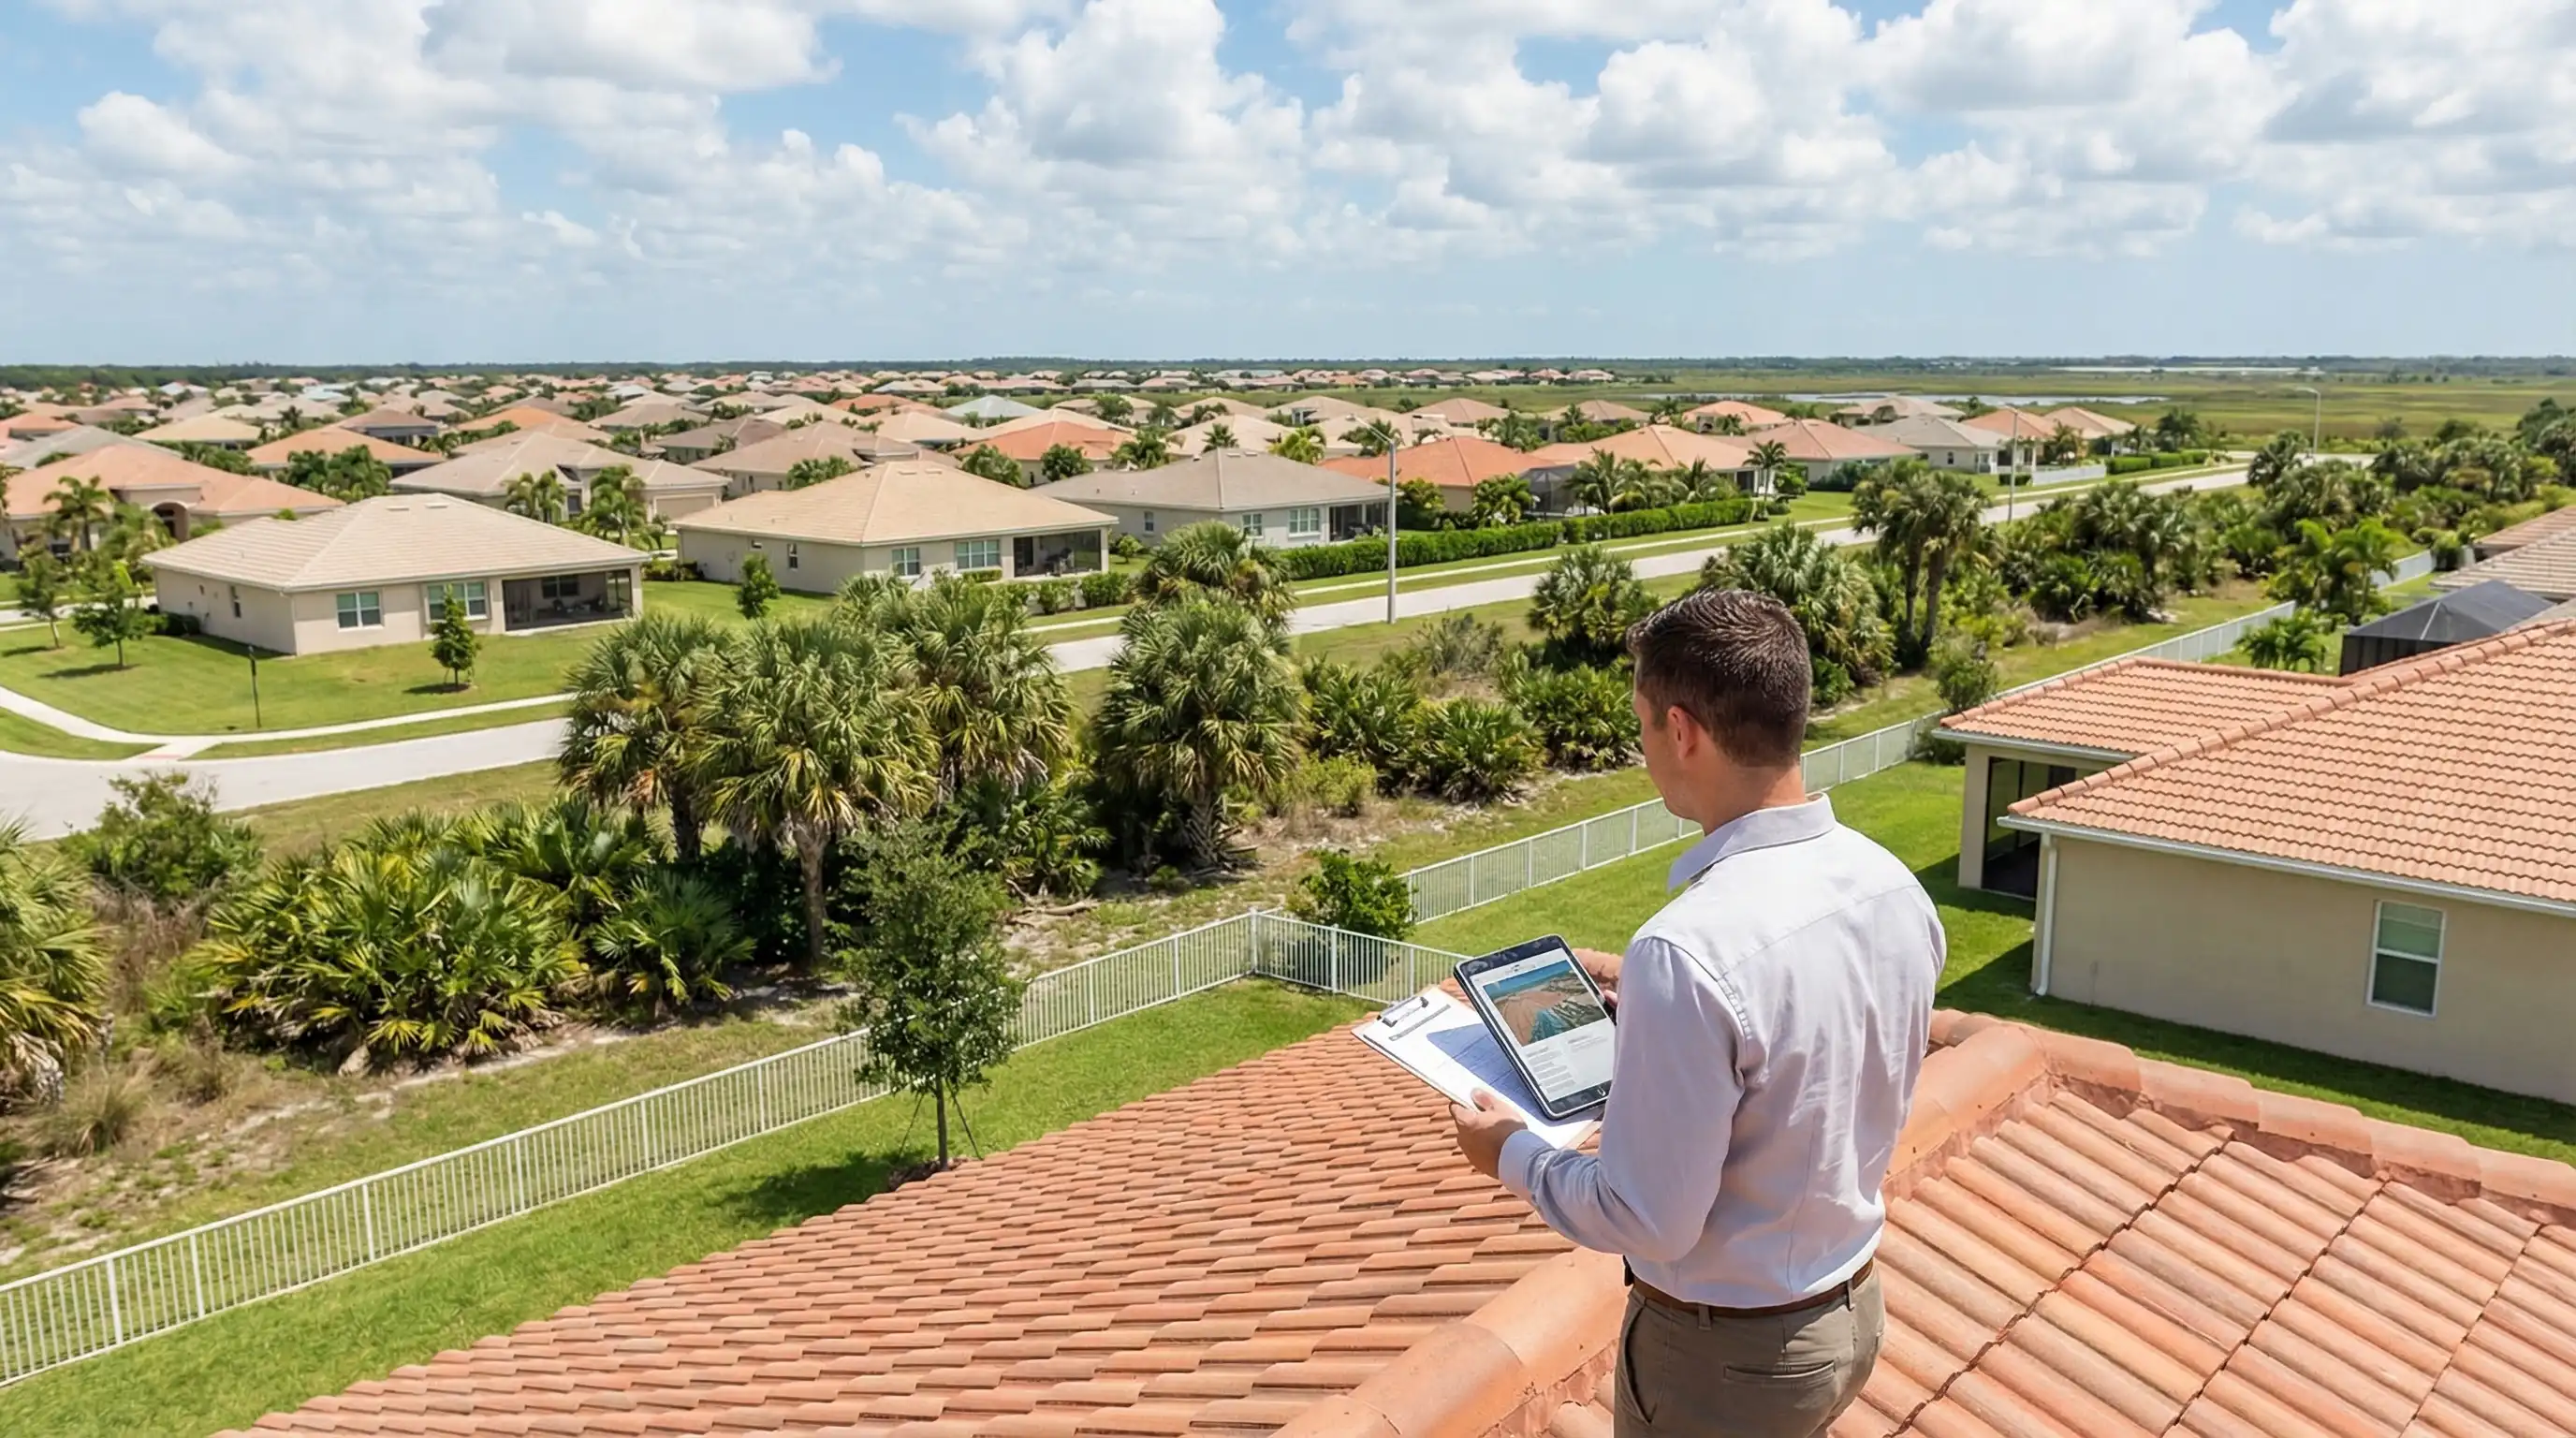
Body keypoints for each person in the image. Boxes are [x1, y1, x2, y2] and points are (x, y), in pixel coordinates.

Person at [1448, 588, 1944, 1438]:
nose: (1645, 749)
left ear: (1681, 731)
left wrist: (1510, 1154)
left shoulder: (1686, 951)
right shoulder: (1892, 885)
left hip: (1728, 1362)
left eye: (1643, 725)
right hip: (1848, 1311)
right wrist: (1656, 1034)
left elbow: (1647, 1219)